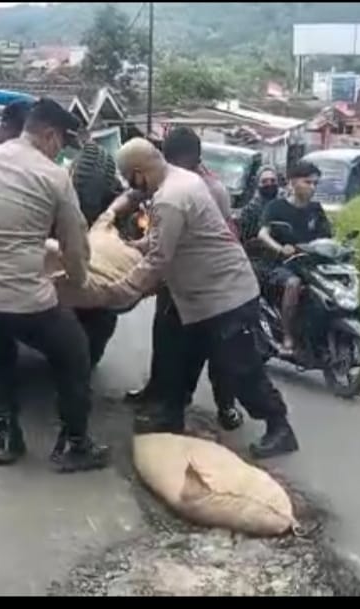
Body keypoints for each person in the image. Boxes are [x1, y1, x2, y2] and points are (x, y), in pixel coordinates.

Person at [94, 138, 299, 459]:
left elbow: (159, 260)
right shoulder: (182, 179)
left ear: (139, 172)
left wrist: (119, 291)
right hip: (194, 296)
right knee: (177, 358)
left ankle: (280, 427)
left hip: (225, 295)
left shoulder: (171, 197)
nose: (132, 188)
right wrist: (135, 246)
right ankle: (170, 417)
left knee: (240, 367)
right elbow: (170, 238)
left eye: (130, 179)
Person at [0, 98, 111, 473]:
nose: (59, 151)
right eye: (60, 143)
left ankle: (7, 439)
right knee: (74, 353)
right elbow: (75, 243)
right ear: (49, 135)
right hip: (23, 297)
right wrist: (80, 282)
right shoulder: (55, 177)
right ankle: (75, 444)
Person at [122, 127, 243, 432]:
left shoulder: (207, 188)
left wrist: (125, 288)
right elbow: (159, 235)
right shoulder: (172, 184)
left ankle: (223, 405)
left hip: (207, 284)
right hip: (178, 278)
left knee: (212, 351)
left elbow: (186, 244)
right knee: (167, 341)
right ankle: (162, 396)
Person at [257, 160, 333, 356]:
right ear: (292, 183)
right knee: (293, 284)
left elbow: (328, 237)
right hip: (282, 265)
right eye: (308, 182)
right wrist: (281, 248)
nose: (312, 187)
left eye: (315, 183)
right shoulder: (276, 207)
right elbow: (263, 234)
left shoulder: (316, 209)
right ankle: (288, 337)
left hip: (310, 264)